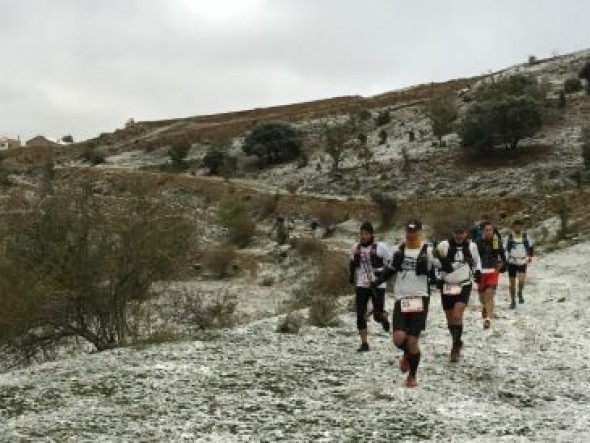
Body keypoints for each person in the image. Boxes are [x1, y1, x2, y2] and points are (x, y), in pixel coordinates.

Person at [373, 218, 439, 388]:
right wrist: (377, 281)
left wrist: (431, 272)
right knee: (398, 339)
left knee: (412, 341)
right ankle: (408, 355)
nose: (410, 234)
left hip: (420, 297)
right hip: (401, 297)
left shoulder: (427, 250)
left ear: (419, 232)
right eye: (408, 231)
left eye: (414, 231)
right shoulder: (398, 250)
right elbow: (390, 270)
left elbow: (436, 273)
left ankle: (412, 375)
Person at [435, 223, 481, 362]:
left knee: (457, 314)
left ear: (466, 234)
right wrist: (436, 277)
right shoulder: (444, 245)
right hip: (447, 284)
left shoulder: (472, 246)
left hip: (464, 283)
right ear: (453, 233)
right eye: (456, 232)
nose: (459, 236)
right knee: (450, 318)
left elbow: (477, 261)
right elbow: (435, 262)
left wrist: (477, 271)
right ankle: (457, 340)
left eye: (462, 233)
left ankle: (455, 348)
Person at [349, 221, 391, 352]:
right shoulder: (355, 247)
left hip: (378, 284)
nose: (363, 236)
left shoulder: (380, 247)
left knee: (377, 316)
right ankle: (364, 343)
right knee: (360, 315)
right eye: (361, 233)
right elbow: (352, 263)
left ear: (371, 234)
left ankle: (383, 316)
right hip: (362, 284)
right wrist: (351, 277)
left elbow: (390, 263)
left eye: (366, 234)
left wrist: (382, 275)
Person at [475, 221, 507, 329]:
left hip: (493, 271)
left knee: (489, 295)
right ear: (483, 231)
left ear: (493, 231)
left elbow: (501, 253)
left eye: (491, 230)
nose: (489, 232)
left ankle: (488, 319)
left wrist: (504, 263)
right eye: (486, 230)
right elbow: (474, 257)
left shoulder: (496, 241)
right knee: (481, 297)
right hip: (481, 272)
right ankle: (484, 306)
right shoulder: (478, 242)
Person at [505, 219, 534, 308]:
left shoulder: (526, 236)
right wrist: (504, 260)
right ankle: (513, 301)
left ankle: (520, 292)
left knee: (521, 280)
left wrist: (530, 257)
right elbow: (504, 249)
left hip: (522, 261)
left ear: (521, 227)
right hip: (511, 262)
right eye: (515, 226)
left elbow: (531, 247)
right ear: (513, 227)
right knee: (512, 284)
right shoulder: (509, 237)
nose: (517, 227)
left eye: (519, 226)